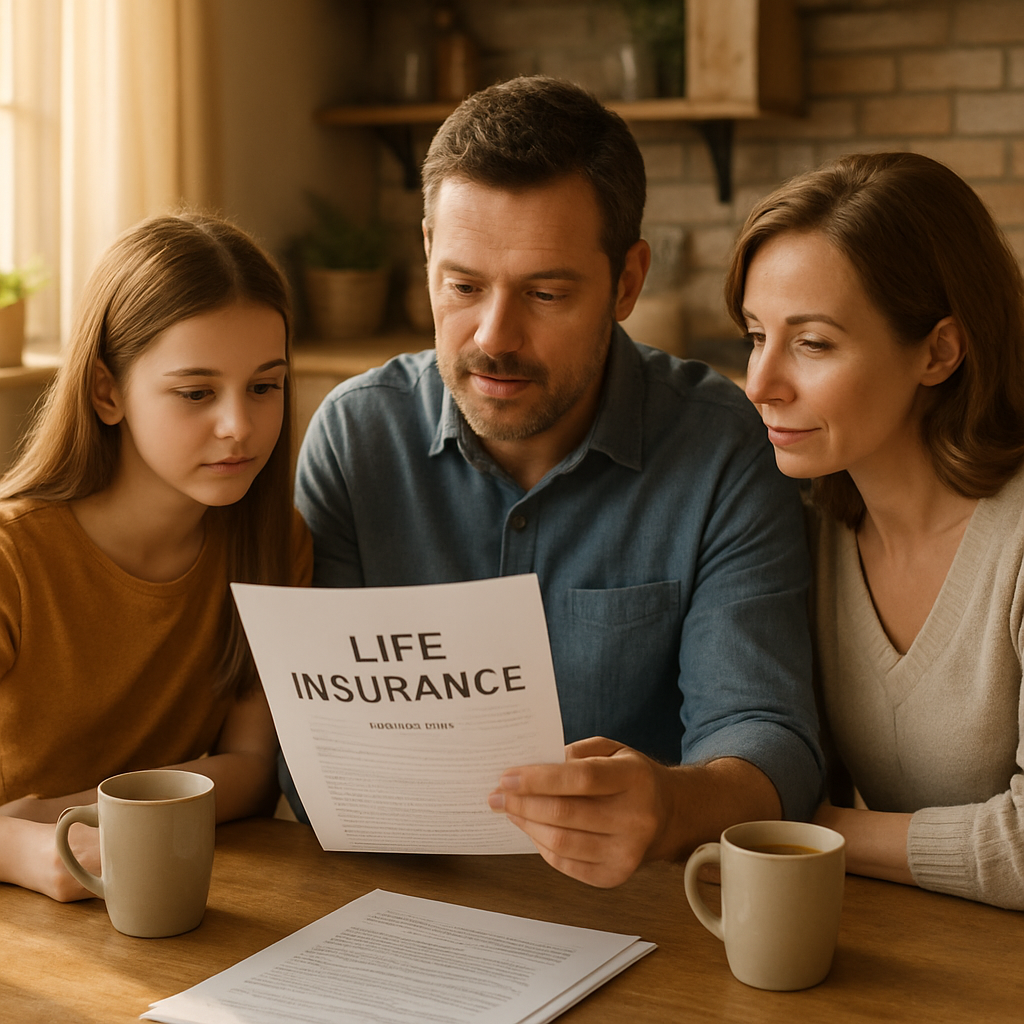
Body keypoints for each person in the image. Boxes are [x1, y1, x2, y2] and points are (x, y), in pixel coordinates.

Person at [290, 75, 824, 888]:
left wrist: (673, 806)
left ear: (627, 283)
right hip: (395, 899)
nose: (494, 338)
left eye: (545, 293)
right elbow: (306, 746)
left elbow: (769, 738)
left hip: (643, 912)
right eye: (463, 287)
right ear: (427, 247)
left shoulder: (720, 448)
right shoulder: (354, 438)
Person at [732, 151, 1024, 910]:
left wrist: (806, 827)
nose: (760, 383)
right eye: (755, 336)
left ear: (937, 351)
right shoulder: (807, 530)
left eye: (813, 343)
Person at [0, 213, 312, 902]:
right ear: (108, 393)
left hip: (171, 893)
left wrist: (53, 817)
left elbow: (253, 769)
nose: (240, 425)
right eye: (197, 392)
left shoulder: (275, 543)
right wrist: (20, 851)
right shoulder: (13, 558)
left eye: (265, 385)